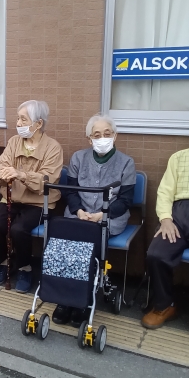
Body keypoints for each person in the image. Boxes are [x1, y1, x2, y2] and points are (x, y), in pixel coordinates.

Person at [52, 114, 136, 327]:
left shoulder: (127, 163)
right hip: (79, 214)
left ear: (115, 136)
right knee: (64, 244)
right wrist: (79, 211)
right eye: (96, 135)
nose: (102, 138)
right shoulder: (78, 158)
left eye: (107, 134)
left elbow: (126, 200)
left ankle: (84, 299)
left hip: (110, 217)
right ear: (89, 139)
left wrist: (101, 215)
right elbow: (71, 191)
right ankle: (64, 298)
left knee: (89, 245)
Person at [0, 100, 63, 293]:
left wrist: (21, 174)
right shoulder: (14, 142)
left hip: (39, 203)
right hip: (11, 198)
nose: (18, 123)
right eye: (18, 118)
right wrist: (2, 175)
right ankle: (3, 262)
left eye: (23, 119)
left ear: (39, 123)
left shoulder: (53, 147)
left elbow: (47, 179)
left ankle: (25, 268)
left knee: (19, 229)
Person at [142, 113, 189, 344]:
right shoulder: (179, 158)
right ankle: (164, 305)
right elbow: (165, 192)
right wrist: (166, 219)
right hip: (178, 215)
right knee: (156, 255)